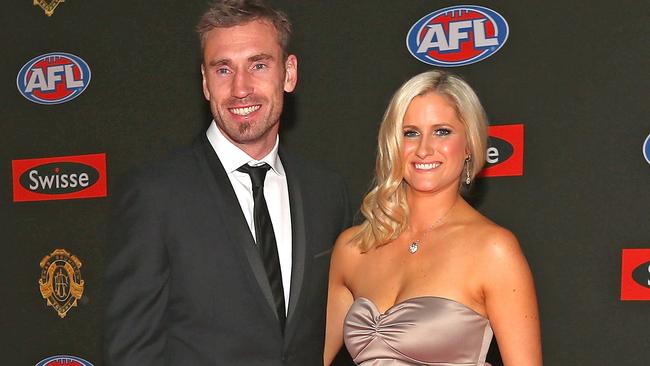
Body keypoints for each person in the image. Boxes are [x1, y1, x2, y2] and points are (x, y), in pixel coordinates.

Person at [104, 1, 351, 365]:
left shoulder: (326, 192)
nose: (240, 88)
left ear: (289, 72)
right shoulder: (155, 195)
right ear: (205, 83)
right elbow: (131, 352)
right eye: (223, 69)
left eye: (259, 65)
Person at [324, 70, 542, 366]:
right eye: (410, 132)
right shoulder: (353, 248)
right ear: (393, 144)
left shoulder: (493, 250)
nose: (424, 149)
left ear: (468, 145)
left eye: (442, 131)